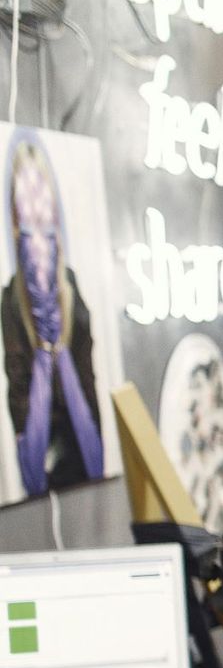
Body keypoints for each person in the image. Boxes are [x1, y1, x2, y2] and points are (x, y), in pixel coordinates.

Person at [2, 130, 105, 498]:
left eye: (40, 192)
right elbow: (16, 377)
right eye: (26, 195)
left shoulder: (70, 286)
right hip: (42, 441)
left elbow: (87, 369)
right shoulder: (13, 297)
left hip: (81, 437)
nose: (35, 205)